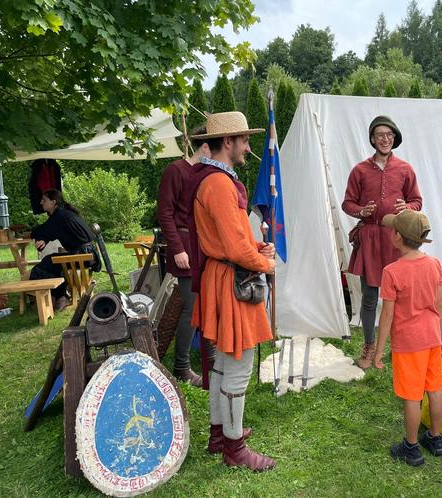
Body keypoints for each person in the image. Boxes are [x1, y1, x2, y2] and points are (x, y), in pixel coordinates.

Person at [189, 111, 276, 472]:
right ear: (228, 142)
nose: (248, 147)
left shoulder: (216, 181)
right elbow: (235, 249)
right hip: (231, 281)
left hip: (222, 276)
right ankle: (235, 448)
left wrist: (257, 247)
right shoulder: (220, 185)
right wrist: (265, 264)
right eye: (244, 140)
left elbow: (237, 240)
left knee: (223, 366)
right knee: (237, 365)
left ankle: (219, 435)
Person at [342, 115, 422, 369]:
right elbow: (347, 203)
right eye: (379, 135)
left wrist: (406, 206)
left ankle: (402, 348)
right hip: (370, 238)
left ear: (394, 138)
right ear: (373, 139)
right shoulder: (360, 170)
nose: (384, 139)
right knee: (369, 296)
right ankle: (369, 346)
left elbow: (417, 201)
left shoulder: (406, 169)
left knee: (399, 297)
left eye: (389, 135)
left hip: (397, 240)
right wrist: (361, 211)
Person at [372, 209, 442, 467]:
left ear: (397, 237)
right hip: (432, 337)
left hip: (409, 343)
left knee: (412, 396)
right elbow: (439, 304)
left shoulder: (392, 271)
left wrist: (379, 351)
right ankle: (436, 438)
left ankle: (411, 447)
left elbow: (388, 315)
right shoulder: (434, 264)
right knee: (434, 388)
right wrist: (440, 334)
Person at [156, 133, 216, 387]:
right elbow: (165, 213)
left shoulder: (206, 176)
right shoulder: (176, 171)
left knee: (208, 304)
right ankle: (182, 366)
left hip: (203, 249)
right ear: (204, 147)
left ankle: (211, 358)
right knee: (192, 308)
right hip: (184, 248)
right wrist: (177, 248)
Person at [30, 189, 100, 311]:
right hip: (89, 254)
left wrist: (40, 237)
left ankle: (59, 296)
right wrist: (44, 239)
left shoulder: (59, 216)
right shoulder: (63, 213)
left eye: (44, 200)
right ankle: (59, 296)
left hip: (83, 256)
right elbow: (50, 231)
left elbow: (40, 230)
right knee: (52, 261)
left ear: (53, 202)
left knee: (44, 265)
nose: (41, 203)